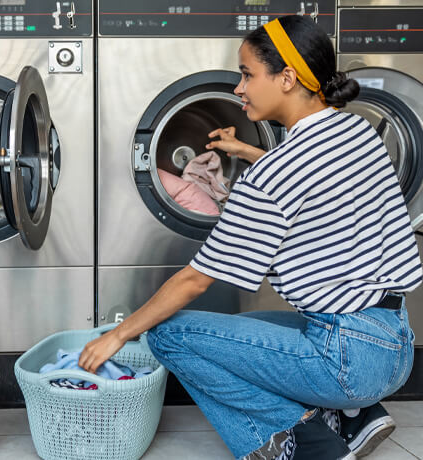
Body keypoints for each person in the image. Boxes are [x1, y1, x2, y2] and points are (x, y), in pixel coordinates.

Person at [80, 15, 421, 460]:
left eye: (246, 74)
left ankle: (303, 442)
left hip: (346, 361)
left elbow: (196, 279)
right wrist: (248, 152)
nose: (238, 88)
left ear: (286, 78)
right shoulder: (358, 131)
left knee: (167, 335)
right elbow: (315, 178)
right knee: (254, 330)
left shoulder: (273, 177)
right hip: (396, 345)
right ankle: (356, 416)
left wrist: (117, 335)